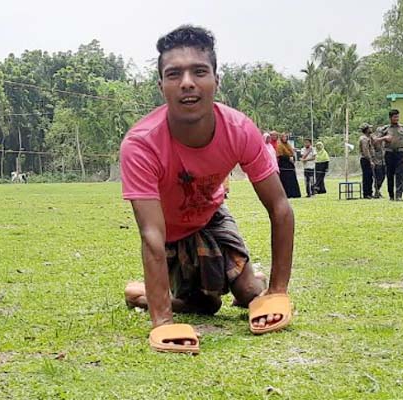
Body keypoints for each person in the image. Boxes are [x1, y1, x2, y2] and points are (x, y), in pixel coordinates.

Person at [119, 25, 295, 354]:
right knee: (204, 306)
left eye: (199, 71)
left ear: (216, 79)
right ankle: (142, 293)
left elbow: (280, 208)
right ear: (161, 86)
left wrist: (278, 291)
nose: (187, 82)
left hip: (212, 217)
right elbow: (152, 235)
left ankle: (254, 285)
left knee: (247, 292)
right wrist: (162, 322)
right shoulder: (140, 145)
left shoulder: (240, 130)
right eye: (174, 74)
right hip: (170, 235)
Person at [375, 109, 403, 201]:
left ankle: (399, 195)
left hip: (400, 153)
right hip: (389, 154)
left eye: (397, 116)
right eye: (394, 117)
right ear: (390, 118)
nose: (396, 119)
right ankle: (391, 195)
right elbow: (376, 140)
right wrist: (385, 138)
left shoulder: (402, 128)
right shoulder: (385, 129)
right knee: (390, 174)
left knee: (400, 174)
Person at [358, 123, 375, 199]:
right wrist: (370, 160)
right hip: (366, 159)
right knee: (367, 177)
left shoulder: (369, 138)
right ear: (366, 130)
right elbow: (366, 151)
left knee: (370, 177)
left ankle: (370, 192)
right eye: (369, 128)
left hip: (368, 159)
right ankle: (366, 194)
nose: (371, 129)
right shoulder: (364, 139)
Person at [372, 126, 386, 198]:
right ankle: (376, 191)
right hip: (377, 161)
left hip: (383, 161)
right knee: (378, 177)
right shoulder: (374, 139)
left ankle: (378, 191)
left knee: (383, 177)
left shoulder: (384, 140)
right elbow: (373, 148)